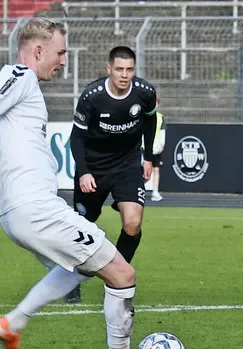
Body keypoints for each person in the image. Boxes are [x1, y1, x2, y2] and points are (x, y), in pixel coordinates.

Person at [0, 18, 171, 349]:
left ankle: (12, 323)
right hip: (36, 209)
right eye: (61, 52)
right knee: (122, 274)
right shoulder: (19, 75)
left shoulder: (20, 89)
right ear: (39, 51)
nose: (64, 61)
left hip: (15, 215)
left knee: (75, 270)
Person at [63, 46, 157, 304]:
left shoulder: (145, 92)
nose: (124, 75)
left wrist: (148, 158)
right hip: (94, 168)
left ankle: (117, 276)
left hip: (128, 165)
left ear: (135, 70)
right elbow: (76, 137)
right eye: (119, 69)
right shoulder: (92, 96)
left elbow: (150, 121)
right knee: (83, 226)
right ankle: (70, 280)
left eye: (129, 69)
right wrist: (84, 172)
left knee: (133, 224)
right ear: (109, 69)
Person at [150, 98, 166, 201]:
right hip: (143, 148)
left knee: (156, 169)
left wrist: (161, 145)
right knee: (139, 170)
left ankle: (155, 191)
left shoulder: (160, 117)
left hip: (156, 148)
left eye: (156, 104)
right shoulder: (142, 116)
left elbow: (163, 132)